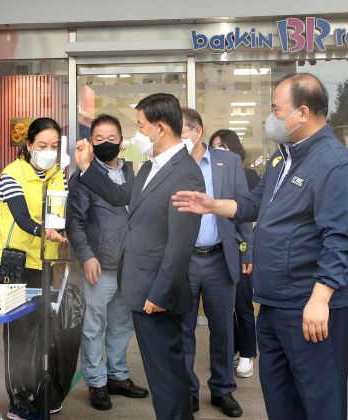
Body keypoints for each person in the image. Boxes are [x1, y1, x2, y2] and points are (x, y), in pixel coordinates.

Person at [172, 73, 348, 420]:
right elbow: (252, 204)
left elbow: (339, 240)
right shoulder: (283, 158)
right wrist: (212, 205)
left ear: (302, 112)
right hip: (274, 301)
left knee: (320, 400)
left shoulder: (334, 163)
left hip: (309, 304)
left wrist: (321, 299)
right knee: (280, 396)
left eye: (277, 110)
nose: (272, 117)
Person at [74, 93, 205, 420]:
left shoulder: (184, 172)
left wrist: (160, 294)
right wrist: (87, 168)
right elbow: (120, 196)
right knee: (161, 374)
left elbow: (180, 243)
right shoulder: (150, 167)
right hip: (140, 287)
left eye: (141, 126)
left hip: (157, 294)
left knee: (167, 375)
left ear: (160, 128)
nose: (138, 134)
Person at [66, 114, 149, 411]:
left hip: (130, 265)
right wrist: (86, 256)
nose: (105, 144)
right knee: (93, 327)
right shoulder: (82, 177)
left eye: (111, 139)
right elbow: (74, 222)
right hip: (99, 266)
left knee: (121, 325)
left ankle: (117, 376)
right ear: (90, 143)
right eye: (98, 140)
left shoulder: (131, 173)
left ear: (122, 142)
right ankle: (96, 382)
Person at [0, 117, 68, 420]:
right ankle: (20, 401)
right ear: (28, 145)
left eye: (54, 146)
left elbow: (61, 215)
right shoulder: (12, 175)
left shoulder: (57, 174)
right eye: (42, 145)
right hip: (16, 265)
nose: (48, 151)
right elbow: (22, 217)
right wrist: (45, 231)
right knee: (20, 334)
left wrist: (63, 237)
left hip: (46, 262)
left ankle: (42, 392)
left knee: (44, 330)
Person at [179, 108, 252, 417]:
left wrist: (247, 251)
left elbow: (243, 209)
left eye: (180, 130)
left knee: (223, 328)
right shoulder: (171, 163)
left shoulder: (229, 162)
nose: (176, 136)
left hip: (220, 257)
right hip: (183, 261)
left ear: (198, 131)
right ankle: (188, 392)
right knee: (183, 329)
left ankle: (222, 390)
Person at [209, 129, 260, 377]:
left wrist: (247, 248)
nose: (217, 150)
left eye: (222, 146)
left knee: (243, 304)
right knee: (223, 309)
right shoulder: (206, 172)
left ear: (234, 148)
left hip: (240, 247)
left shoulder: (249, 175)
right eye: (213, 146)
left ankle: (248, 353)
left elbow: (257, 209)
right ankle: (233, 349)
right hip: (217, 251)